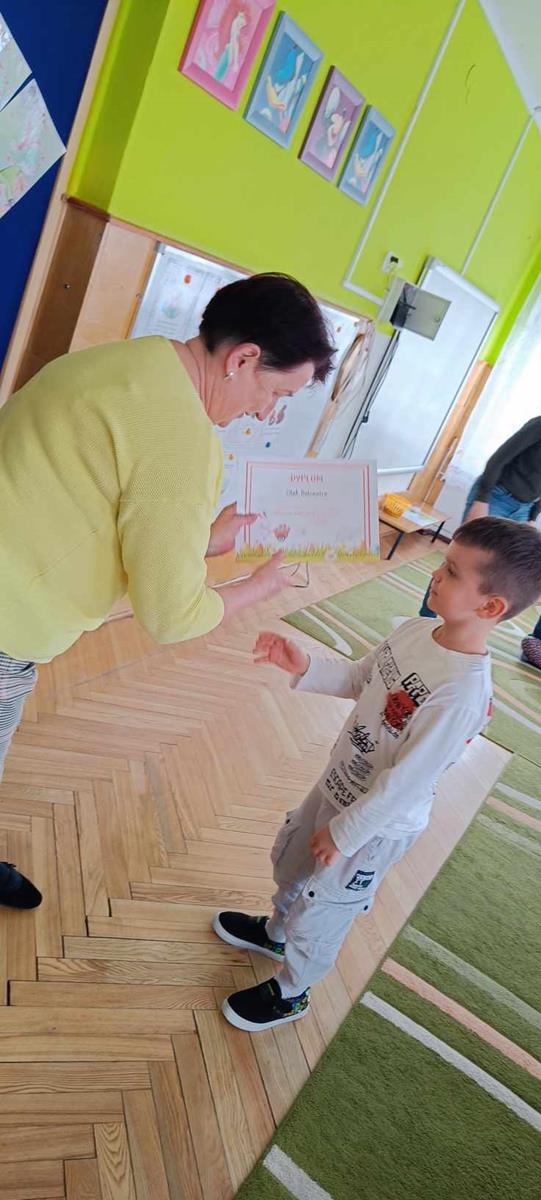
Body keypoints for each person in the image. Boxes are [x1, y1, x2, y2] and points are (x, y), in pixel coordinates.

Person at [0, 272, 335, 909]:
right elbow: (172, 615)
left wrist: (199, 540)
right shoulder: (184, 440)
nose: (266, 412)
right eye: (275, 392)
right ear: (243, 359)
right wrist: (257, 586)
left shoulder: (122, 361)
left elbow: (95, 503)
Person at [213, 517, 541, 1031]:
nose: (435, 574)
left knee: (324, 909)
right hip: (338, 783)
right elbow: (360, 679)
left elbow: (407, 783)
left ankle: (293, 990)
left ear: (490, 607)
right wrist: (304, 666)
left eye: (453, 572)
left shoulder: (461, 696)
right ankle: (275, 932)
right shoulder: (415, 630)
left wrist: (346, 833)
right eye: (443, 564)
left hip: (374, 828)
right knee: (293, 858)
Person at [420, 416, 541, 617]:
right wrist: (482, 500)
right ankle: (427, 617)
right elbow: (498, 459)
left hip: (523, 508)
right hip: (495, 495)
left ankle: (459, 619)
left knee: (498, 570)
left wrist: (532, 516)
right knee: (462, 562)